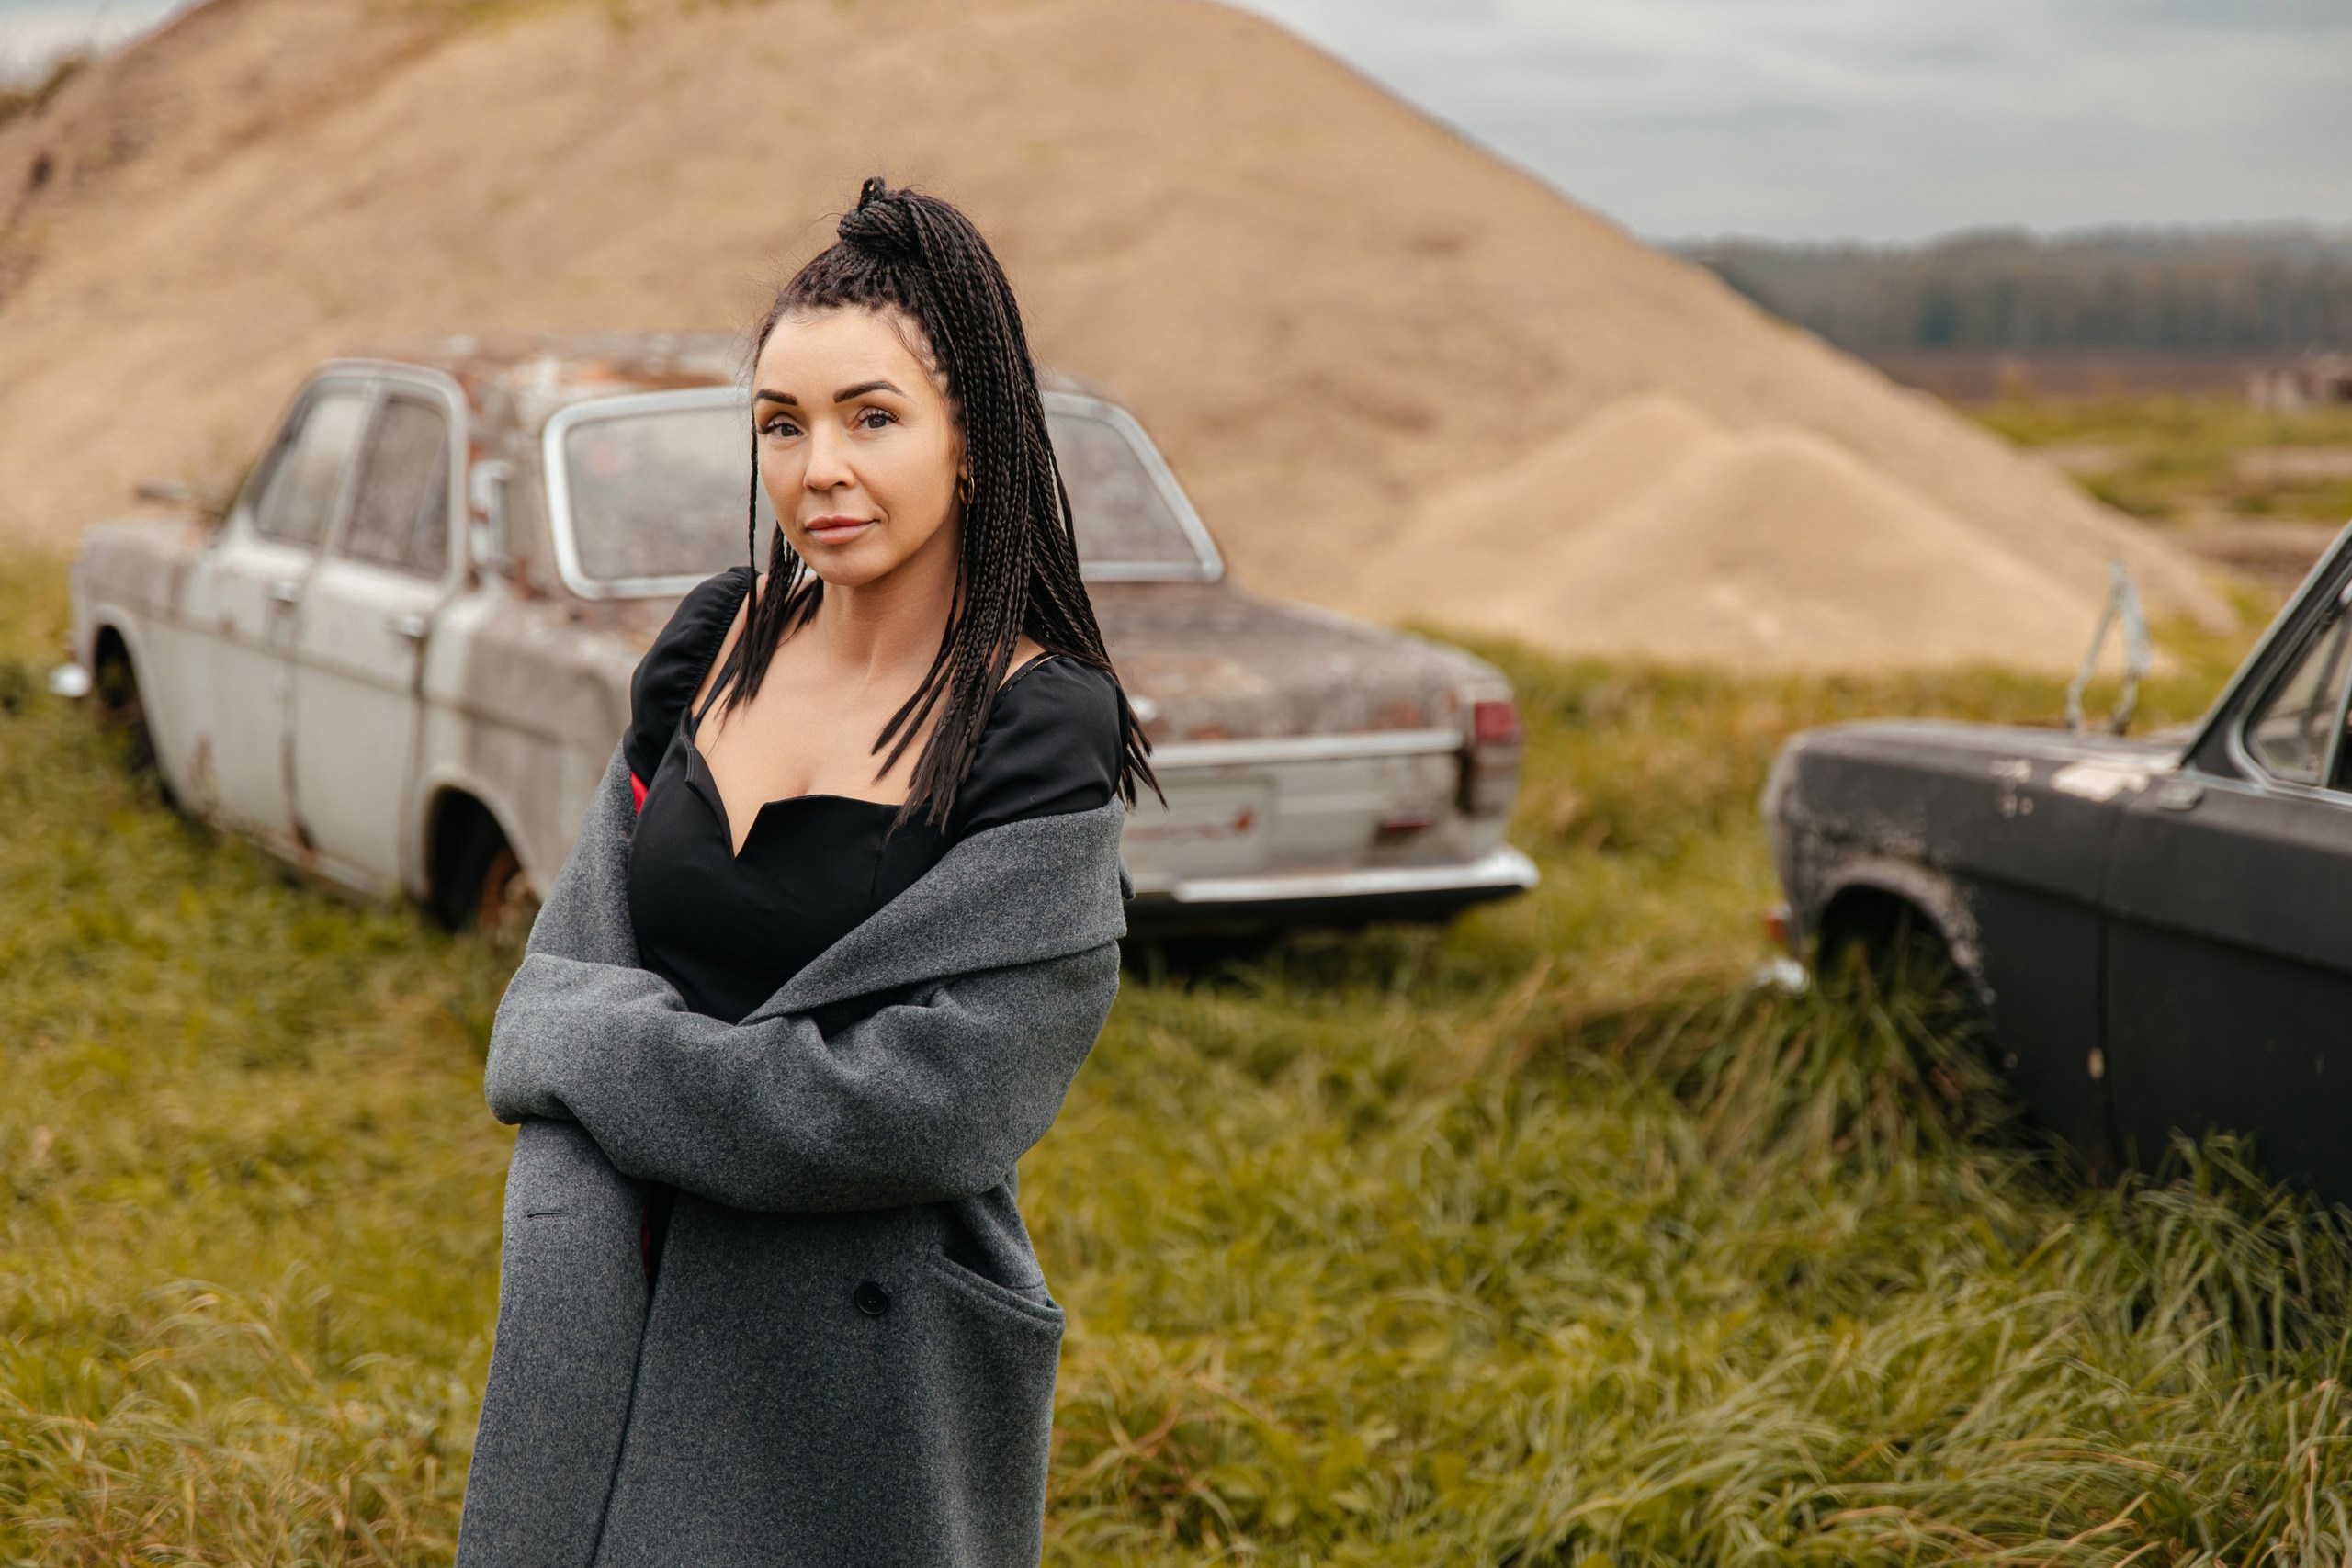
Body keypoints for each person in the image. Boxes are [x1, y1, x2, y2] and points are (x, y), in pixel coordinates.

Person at [456, 179, 1154, 1568]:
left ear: (974, 443)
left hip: (857, 1378)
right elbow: (562, 969)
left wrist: (602, 1060)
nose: (817, 466)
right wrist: (594, 1047)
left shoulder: (1040, 723)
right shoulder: (713, 641)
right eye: (783, 423)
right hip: (613, 1310)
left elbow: (920, 1111)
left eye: (872, 416)